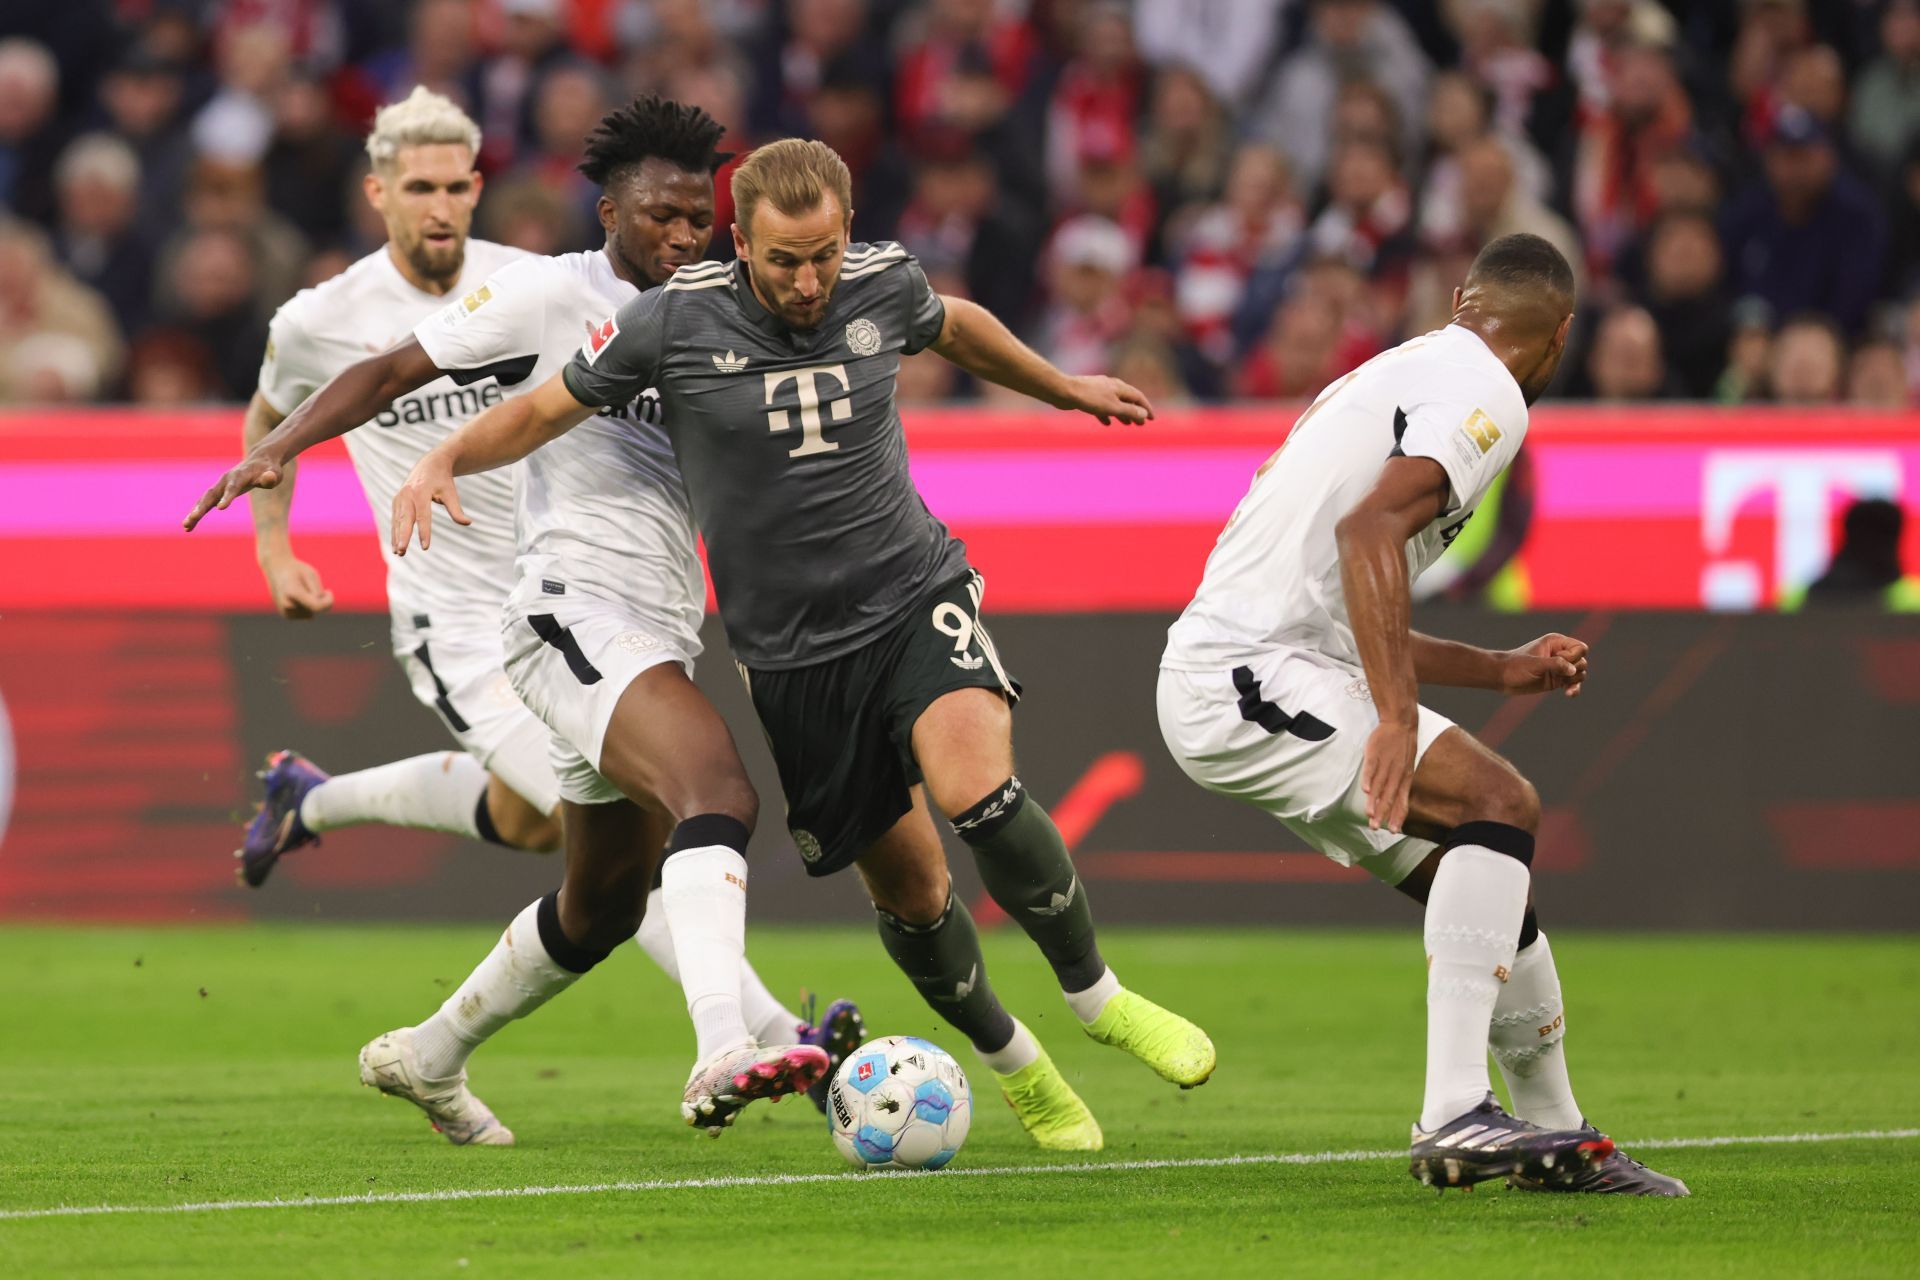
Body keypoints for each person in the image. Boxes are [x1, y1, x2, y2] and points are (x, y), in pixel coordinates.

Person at [392, 137, 1215, 1152]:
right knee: (914, 894)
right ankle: (1018, 1063)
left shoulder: (883, 282)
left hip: (913, 592)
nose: (808, 279)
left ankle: (1099, 997)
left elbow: (956, 327)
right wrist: (444, 455)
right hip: (793, 662)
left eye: (824, 252)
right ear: (741, 244)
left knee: (982, 794)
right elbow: (542, 407)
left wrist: (1061, 386)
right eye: (783, 260)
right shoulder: (672, 319)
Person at [182, 91, 856, 1143]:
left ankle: (425, 1048)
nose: (682, 236)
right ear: (608, 214)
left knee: (599, 900)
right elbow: (382, 370)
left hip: (648, 617)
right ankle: (757, 1036)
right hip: (518, 614)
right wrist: (278, 470)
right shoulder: (539, 294)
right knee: (709, 792)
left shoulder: (725, 300)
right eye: (660, 217)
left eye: (698, 218)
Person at [1157, 234, 1687, 1196]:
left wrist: (1499, 669)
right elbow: (1370, 532)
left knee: (1486, 879)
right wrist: (1399, 720)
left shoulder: (1414, 367)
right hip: (1246, 672)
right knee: (1501, 800)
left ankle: (1556, 1137)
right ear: (1560, 336)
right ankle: (1452, 1114)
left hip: (1276, 664)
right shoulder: (1488, 391)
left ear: (1461, 297)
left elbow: (1354, 600)